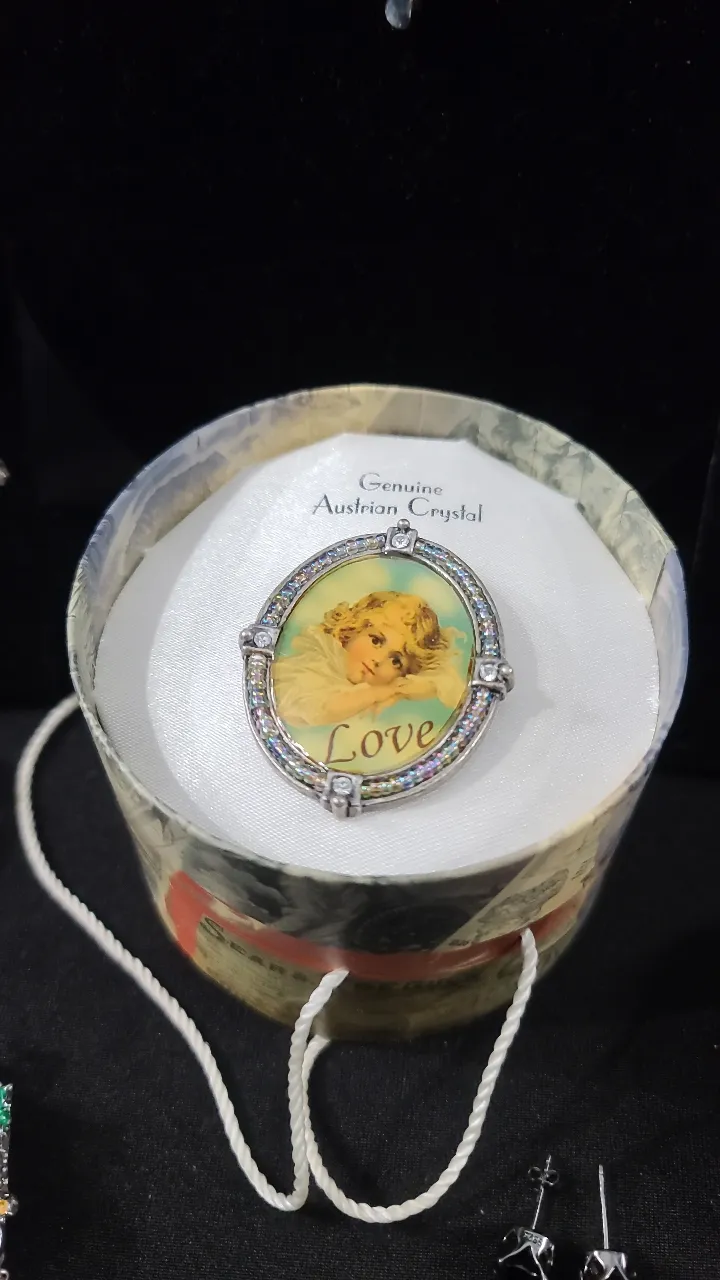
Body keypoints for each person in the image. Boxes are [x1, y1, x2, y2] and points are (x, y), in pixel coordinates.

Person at [272, 590, 467, 727]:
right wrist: (381, 692)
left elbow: (446, 683)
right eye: (376, 640)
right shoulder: (318, 663)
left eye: (396, 661)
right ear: (352, 630)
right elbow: (320, 709)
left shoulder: (381, 707)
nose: (378, 660)